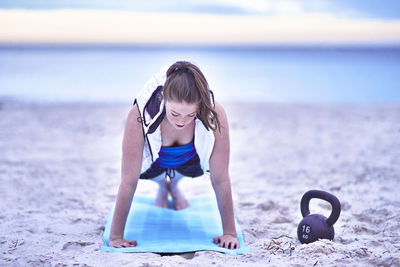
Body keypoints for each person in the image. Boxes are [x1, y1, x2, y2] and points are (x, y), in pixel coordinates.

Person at [108, 61, 239, 250]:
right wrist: (116, 237)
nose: (181, 121)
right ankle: (164, 184)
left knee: (177, 176)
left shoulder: (215, 113)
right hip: (153, 166)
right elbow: (128, 181)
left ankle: (172, 184)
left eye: (190, 115)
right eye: (175, 113)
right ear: (163, 98)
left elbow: (220, 178)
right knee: (158, 177)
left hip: (191, 164)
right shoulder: (139, 115)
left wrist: (229, 233)